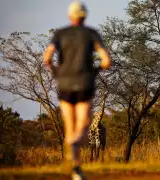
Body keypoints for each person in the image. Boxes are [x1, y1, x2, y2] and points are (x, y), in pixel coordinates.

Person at [43, 1, 111, 179]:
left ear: (70, 16)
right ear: (85, 16)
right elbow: (106, 60)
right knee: (83, 125)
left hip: (64, 84)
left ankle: (76, 170)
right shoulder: (91, 34)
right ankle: (75, 144)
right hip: (84, 84)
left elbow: (47, 57)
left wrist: (57, 72)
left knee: (70, 126)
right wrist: (96, 71)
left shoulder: (60, 34)